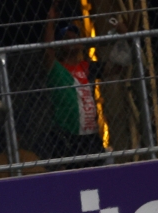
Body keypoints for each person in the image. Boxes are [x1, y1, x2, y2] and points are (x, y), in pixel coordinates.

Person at [44, 1, 105, 163]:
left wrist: (123, 37)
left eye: (75, 37)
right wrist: (50, 21)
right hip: (67, 135)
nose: (72, 39)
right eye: (67, 38)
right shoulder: (57, 68)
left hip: (90, 134)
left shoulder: (87, 66)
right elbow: (48, 50)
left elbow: (116, 68)